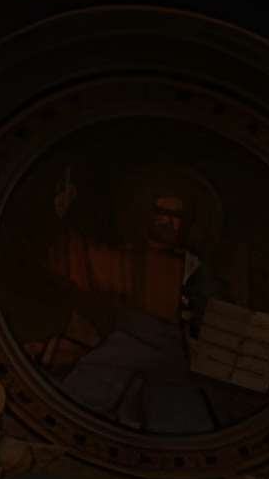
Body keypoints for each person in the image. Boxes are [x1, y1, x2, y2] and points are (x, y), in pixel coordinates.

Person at [41, 163, 222, 436]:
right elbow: (77, 262)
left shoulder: (192, 266)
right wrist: (62, 216)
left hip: (174, 356)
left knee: (181, 420)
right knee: (78, 401)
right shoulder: (127, 259)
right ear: (148, 216)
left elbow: (210, 311)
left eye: (175, 215)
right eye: (161, 213)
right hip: (127, 344)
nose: (167, 222)